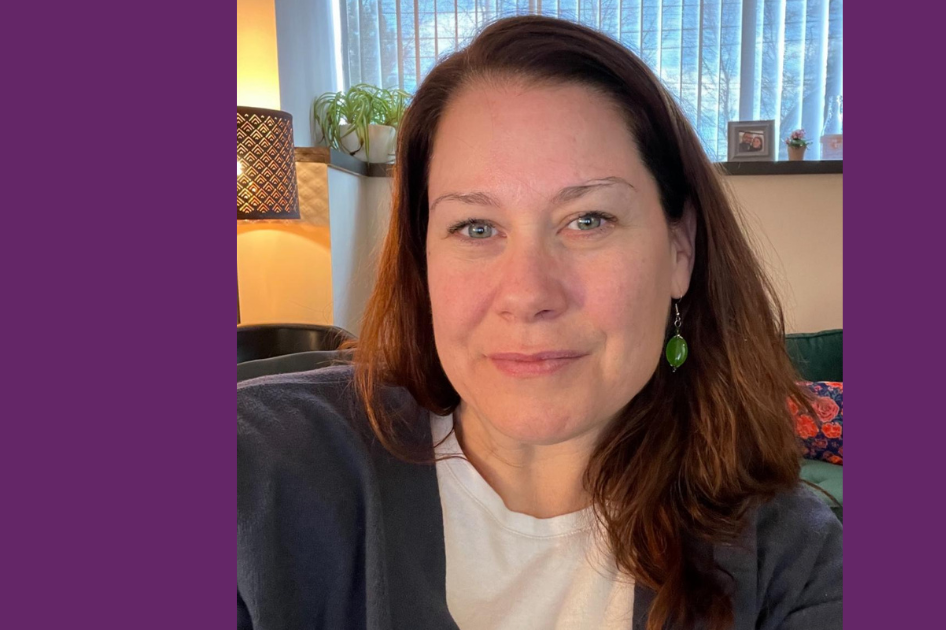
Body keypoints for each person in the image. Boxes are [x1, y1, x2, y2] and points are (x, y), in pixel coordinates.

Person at [238, 15, 841, 630]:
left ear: (680, 250)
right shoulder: (256, 473)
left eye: (589, 220)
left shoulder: (794, 563)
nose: (527, 294)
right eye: (475, 227)